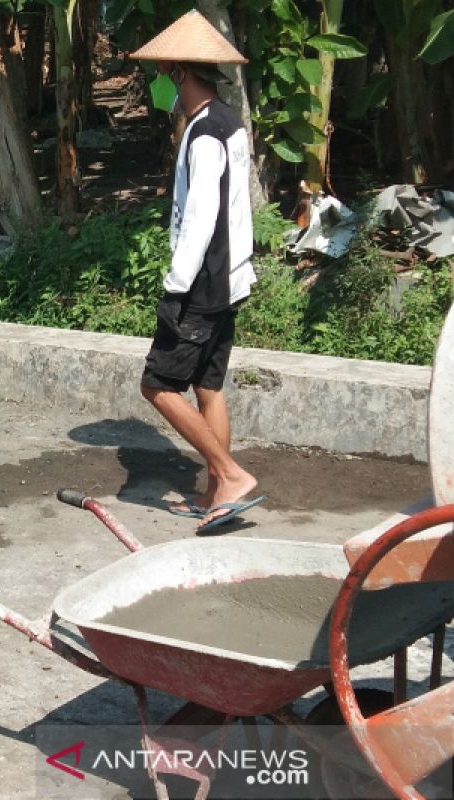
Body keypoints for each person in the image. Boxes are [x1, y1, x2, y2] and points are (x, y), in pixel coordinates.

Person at [131, 11, 263, 533]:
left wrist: (175, 286)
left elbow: (202, 217)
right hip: (229, 278)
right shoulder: (228, 120)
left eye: (163, 75)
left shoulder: (206, 133)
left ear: (181, 73)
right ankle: (216, 496)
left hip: (202, 284)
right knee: (208, 387)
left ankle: (230, 475)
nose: (159, 84)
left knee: (157, 385)